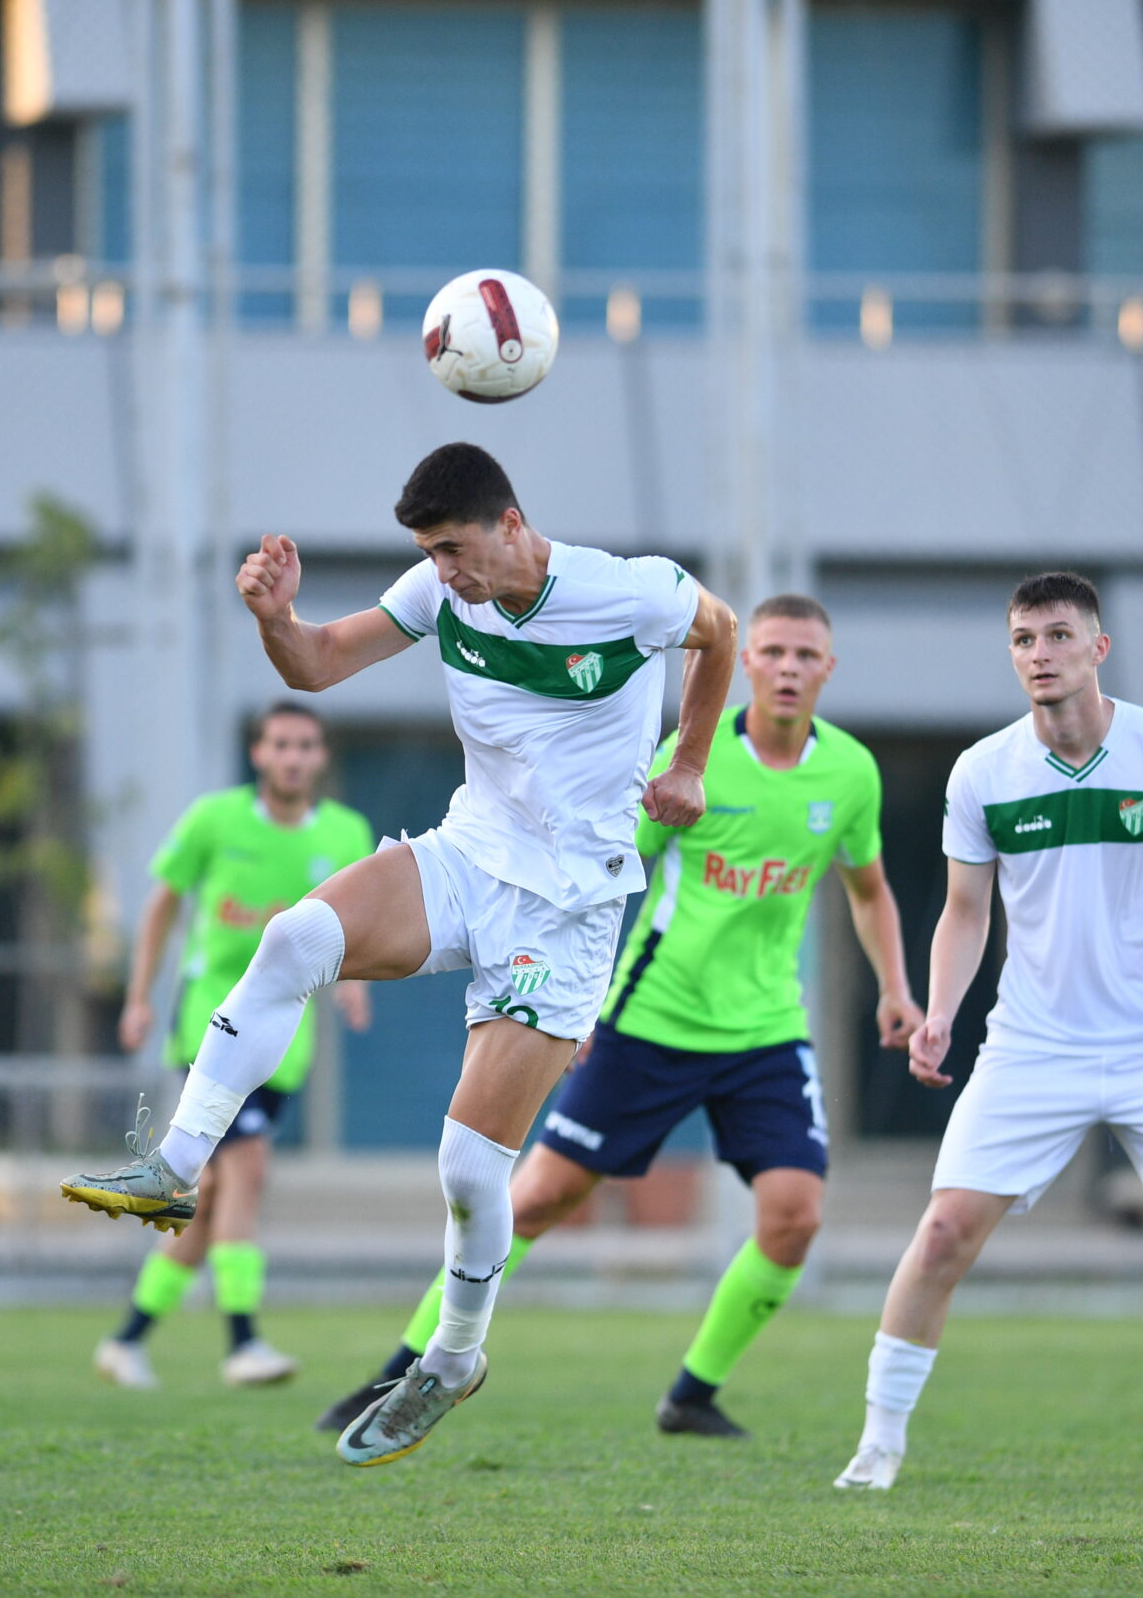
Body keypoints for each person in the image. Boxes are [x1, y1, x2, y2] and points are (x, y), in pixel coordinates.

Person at [64, 441, 735, 1469]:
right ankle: (176, 1167)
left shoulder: (624, 591)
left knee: (468, 1166)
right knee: (290, 938)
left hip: (571, 908)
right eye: (431, 553)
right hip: (467, 855)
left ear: (511, 525)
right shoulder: (438, 589)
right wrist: (273, 620)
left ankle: (456, 1357)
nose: (444, 572)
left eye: (456, 549)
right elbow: (321, 664)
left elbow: (718, 633)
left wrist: (686, 761)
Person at [315, 593, 921, 1439]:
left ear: (828, 667)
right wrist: (578, 1000)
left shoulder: (852, 773)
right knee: (536, 1198)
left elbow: (869, 888)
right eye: (773, 651)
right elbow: (599, 873)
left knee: (795, 1215)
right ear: (747, 663)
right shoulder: (691, 758)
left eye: (805, 655)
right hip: (650, 1019)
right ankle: (406, 1367)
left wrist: (895, 985)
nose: (787, 667)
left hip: (766, 1030)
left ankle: (693, 1394)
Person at [833, 571, 1143, 1500]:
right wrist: (941, 1011)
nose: (1039, 655)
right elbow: (965, 912)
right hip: (1032, 1046)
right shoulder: (984, 772)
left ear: (1097, 648)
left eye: (1057, 636)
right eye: (1023, 640)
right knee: (939, 1236)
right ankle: (878, 1443)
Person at [96, 700, 374, 1390]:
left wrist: (354, 982)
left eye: (306, 745)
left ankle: (127, 1338)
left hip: (286, 1042)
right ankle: (243, 1341)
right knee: (245, 1169)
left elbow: (363, 923)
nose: (293, 756)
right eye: (280, 744)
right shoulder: (213, 820)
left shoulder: (346, 833)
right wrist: (138, 996)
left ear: (321, 757)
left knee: (214, 1193)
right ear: (258, 753)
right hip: (210, 1028)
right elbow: (162, 901)